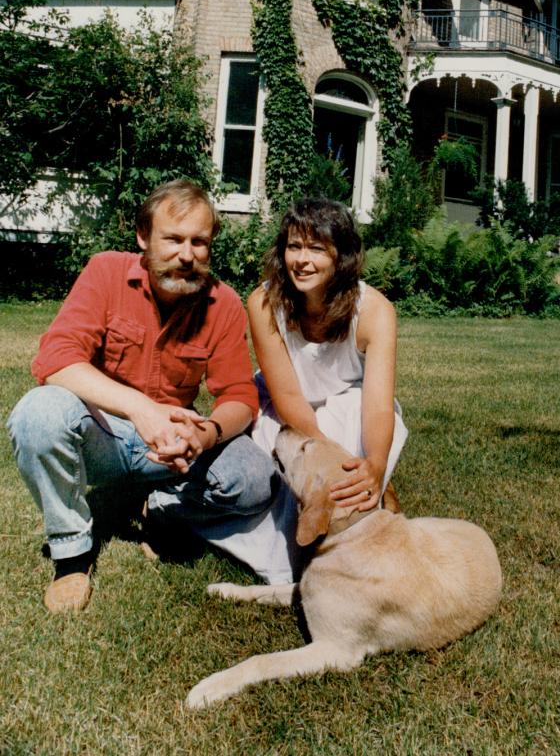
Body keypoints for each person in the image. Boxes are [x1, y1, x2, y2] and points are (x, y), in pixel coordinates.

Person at [6, 180, 276, 614]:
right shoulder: (106, 272)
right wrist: (141, 409)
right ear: (143, 238)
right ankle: (72, 555)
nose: (187, 255)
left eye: (199, 242)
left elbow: (241, 396)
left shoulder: (223, 303)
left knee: (256, 480)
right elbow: (55, 361)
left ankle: (162, 508)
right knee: (36, 415)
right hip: (104, 434)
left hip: (173, 448)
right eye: (173, 239)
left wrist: (205, 434)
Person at [205, 197, 407, 584]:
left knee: (358, 452)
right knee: (274, 489)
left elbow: (378, 405)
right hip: (285, 411)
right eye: (294, 246)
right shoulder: (263, 302)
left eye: (316, 248)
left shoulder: (375, 311)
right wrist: (322, 455)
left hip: (350, 402)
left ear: (341, 256)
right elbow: (289, 399)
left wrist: (376, 462)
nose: (302, 260)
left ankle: (361, 534)